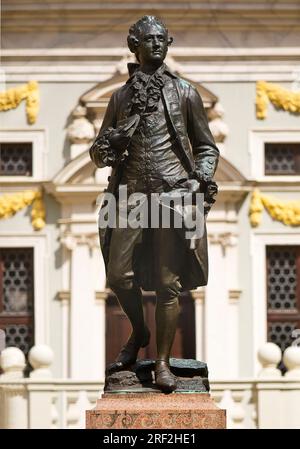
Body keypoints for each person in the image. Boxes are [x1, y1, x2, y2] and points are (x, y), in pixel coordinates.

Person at [89, 15, 219, 392]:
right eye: (149, 39)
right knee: (118, 275)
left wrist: (200, 177)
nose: (158, 44)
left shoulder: (186, 93)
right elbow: (98, 155)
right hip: (128, 196)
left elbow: (207, 147)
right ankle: (140, 331)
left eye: (163, 39)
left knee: (168, 283)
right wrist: (106, 147)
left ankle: (162, 363)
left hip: (172, 194)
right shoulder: (120, 97)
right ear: (135, 44)